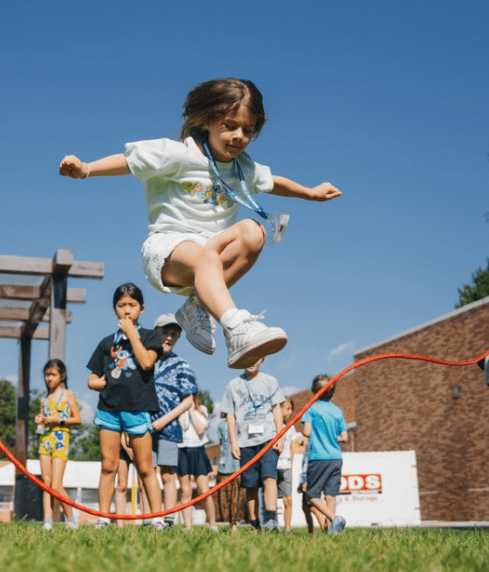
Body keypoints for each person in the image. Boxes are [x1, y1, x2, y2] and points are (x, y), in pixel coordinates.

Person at [60, 78, 342, 370]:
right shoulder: (180, 154)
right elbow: (130, 161)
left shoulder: (242, 168)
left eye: (247, 130)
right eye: (230, 126)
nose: (239, 136)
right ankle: (237, 329)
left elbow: (273, 183)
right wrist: (86, 169)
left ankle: (196, 305)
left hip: (209, 256)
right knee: (205, 253)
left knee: (254, 232)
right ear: (208, 120)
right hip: (167, 250)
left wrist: (309, 193)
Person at [87, 282, 166, 529]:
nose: (127, 310)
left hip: (137, 408)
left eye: (132, 305)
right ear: (114, 309)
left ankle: (157, 519)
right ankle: (103, 518)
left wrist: (132, 333)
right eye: (122, 306)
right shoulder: (105, 343)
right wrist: (94, 383)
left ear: (142, 309)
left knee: (145, 467)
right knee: (108, 464)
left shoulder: (152, 336)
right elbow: (92, 375)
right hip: (109, 408)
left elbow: (145, 363)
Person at [222, 357, 286, 531]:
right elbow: (230, 415)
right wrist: (233, 442)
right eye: (248, 356)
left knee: (269, 477)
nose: (252, 360)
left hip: (268, 438)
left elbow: (276, 408)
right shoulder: (233, 385)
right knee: (250, 484)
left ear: (263, 358)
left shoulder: (270, 381)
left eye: (257, 356)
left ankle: (271, 520)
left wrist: (280, 436)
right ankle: (254, 523)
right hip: (245, 442)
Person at [151, 313, 199, 529]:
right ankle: (150, 517)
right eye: (164, 333)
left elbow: (188, 400)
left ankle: (168, 519)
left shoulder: (182, 365)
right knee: (147, 472)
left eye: (173, 334)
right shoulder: (146, 360)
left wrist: (165, 420)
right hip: (143, 426)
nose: (168, 337)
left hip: (169, 428)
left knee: (168, 474)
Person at [35, 358, 82, 531]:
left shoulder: (68, 395)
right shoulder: (44, 399)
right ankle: (47, 520)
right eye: (46, 375)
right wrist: (39, 420)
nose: (49, 378)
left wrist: (58, 420)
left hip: (61, 440)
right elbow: (42, 423)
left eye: (53, 374)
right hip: (45, 441)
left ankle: (70, 518)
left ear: (62, 376)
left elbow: (78, 419)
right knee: (46, 485)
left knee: (56, 485)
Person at [303, 374, 349, 534]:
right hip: (336, 457)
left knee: (311, 495)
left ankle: (335, 519)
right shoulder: (337, 411)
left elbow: (306, 431)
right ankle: (332, 531)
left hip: (319, 457)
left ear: (313, 391)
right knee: (331, 496)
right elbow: (345, 437)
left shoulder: (311, 409)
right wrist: (331, 436)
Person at [178, 404, 218, 531]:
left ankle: (212, 525)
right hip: (182, 450)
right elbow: (181, 427)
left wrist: (191, 410)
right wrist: (182, 410)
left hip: (198, 450)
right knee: (186, 491)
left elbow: (200, 429)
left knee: (204, 491)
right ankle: (188, 526)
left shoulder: (202, 410)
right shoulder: (178, 410)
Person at [276, 398, 297, 534]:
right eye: (287, 408)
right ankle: (271, 526)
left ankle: (287, 529)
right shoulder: (272, 425)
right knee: (270, 499)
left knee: (288, 499)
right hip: (273, 466)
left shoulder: (291, 427)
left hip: (285, 466)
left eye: (291, 409)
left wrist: (291, 464)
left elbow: (292, 447)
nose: (289, 412)